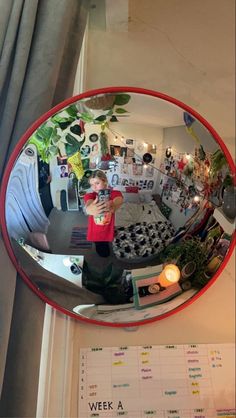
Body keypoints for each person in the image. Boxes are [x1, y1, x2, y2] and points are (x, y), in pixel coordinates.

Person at [84, 170, 123, 257]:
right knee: (99, 247)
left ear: (105, 182)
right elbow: (88, 204)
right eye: (92, 184)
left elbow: (119, 199)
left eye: (97, 183)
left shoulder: (113, 193)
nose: (94, 187)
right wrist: (89, 209)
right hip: (95, 230)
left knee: (105, 244)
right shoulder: (90, 195)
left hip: (107, 228)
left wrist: (113, 204)